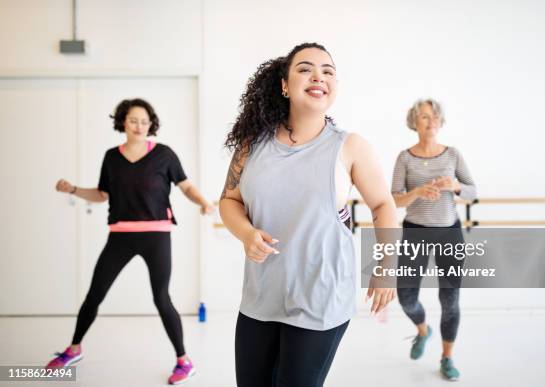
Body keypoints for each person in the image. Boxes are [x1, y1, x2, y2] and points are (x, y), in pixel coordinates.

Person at [219, 42, 397, 387]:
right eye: (305, 68)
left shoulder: (350, 146)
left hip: (321, 299)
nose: (318, 76)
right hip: (260, 297)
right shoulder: (251, 146)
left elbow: (383, 205)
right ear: (284, 86)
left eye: (328, 71)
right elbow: (229, 201)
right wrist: (246, 233)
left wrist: (386, 267)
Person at [46, 98, 215, 385]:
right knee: (95, 294)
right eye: (133, 120)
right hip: (121, 236)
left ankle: (184, 361)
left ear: (151, 125)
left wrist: (202, 202)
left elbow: (185, 185)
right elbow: (102, 195)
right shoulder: (112, 157)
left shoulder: (164, 154)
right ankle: (73, 349)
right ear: (123, 121)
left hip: (156, 235)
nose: (139, 125)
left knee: (161, 297)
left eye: (145, 121)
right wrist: (73, 189)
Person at [391, 98, 477, 381]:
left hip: (449, 233)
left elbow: (472, 192)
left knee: (450, 301)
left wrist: (454, 186)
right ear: (414, 122)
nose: (431, 121)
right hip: (415, 232)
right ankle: (422, 330)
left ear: (440, 122)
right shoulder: (404, 157)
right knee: (405, 297)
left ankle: (447, 357)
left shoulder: (452, 155)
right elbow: (393, 200)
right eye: (425, 117)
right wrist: (417, 193)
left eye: (435, 117)